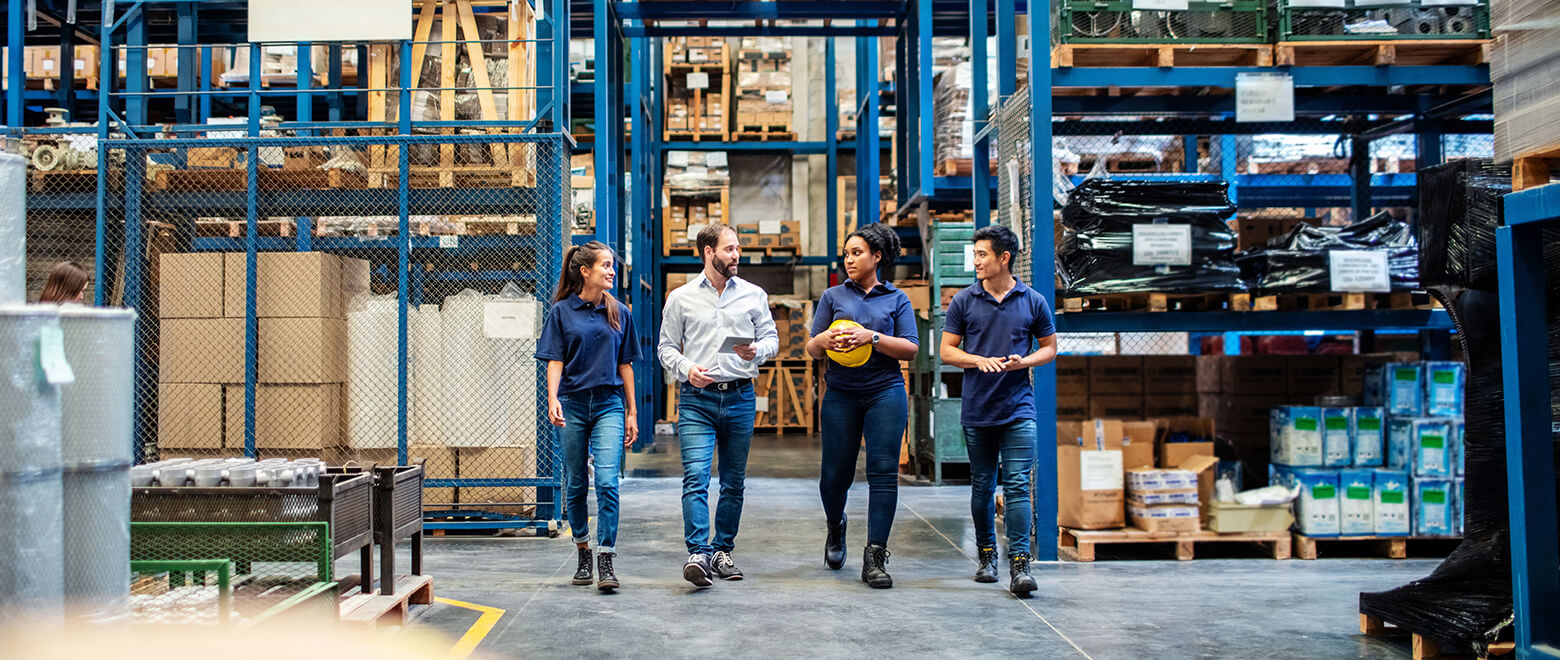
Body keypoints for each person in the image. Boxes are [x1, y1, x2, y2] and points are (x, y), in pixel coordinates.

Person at [658, 223, 779, 588]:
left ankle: (722, 550)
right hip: (697, 399)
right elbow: (665, 348)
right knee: (695, 477)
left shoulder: (754, 295)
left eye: (737, 249)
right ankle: (697, 553)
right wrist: (686, 369)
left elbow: (772, 338)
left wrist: (758, 350)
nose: (736, 255)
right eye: (729, 249)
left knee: (733, 481)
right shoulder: (681, 298)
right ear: (708, 252)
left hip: (741, 395)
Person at [939, 224, 1057, 596]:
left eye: (982, 254)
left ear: (1003, 258)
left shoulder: (1033, 300)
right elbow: (947, 351)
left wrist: (1025, 362)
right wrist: (977, 361)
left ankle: (1020, 563)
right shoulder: (964, 301)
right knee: (983, 485)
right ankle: (987, 555)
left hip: (1019, 408)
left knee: (1019, 485)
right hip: (978, 408)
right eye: (974, 254)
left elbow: (1050, 347)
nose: (975, 261)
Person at [806, 222, 918, 589]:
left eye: (857, 253)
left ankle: (875, 555)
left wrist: (870, 336)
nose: (849, 259)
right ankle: (836, 525)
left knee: (883, 472)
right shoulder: (832, 296)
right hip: (840, 393)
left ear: (877, 257)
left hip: (885, 391)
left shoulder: (897, 299)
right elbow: (811, 347)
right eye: (847, 253)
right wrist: (822, 338)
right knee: (834, 475)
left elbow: (911, 348)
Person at [535, 241, 640, 592]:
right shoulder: (562, 312)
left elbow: (625, 365)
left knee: (608, 482)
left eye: (612, 266)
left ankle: (606, 557)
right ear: (585, 271)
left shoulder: (620, 312)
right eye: (606, 265)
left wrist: (632, 411)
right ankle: (583, 549)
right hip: (574, 403)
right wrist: (552, 398)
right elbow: (555, 360)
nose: (612, 271)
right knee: (576, 481)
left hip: (609, 402)